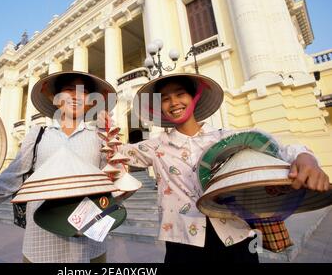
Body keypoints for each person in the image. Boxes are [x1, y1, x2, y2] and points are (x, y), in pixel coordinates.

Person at [100, 73, 329, 263]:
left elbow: (280, 149)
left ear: (195, 97)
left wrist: (306, 158)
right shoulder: (155, 146)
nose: (174, 103)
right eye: (166, 99)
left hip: (234, 233)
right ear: (161, 108)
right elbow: (114, 153)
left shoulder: (227, 138)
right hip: (182, 239)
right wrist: (102, 127)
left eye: (180, 94)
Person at [0, 71, 116, 263]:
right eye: (69, 89)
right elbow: (13, 177)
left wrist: (114, 148)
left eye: (84, 92)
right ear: (56, 98)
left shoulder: (99, 137)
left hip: (89, 242)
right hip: (42, 242)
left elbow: (111, 182)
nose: (76, 95)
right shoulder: (38, 135)